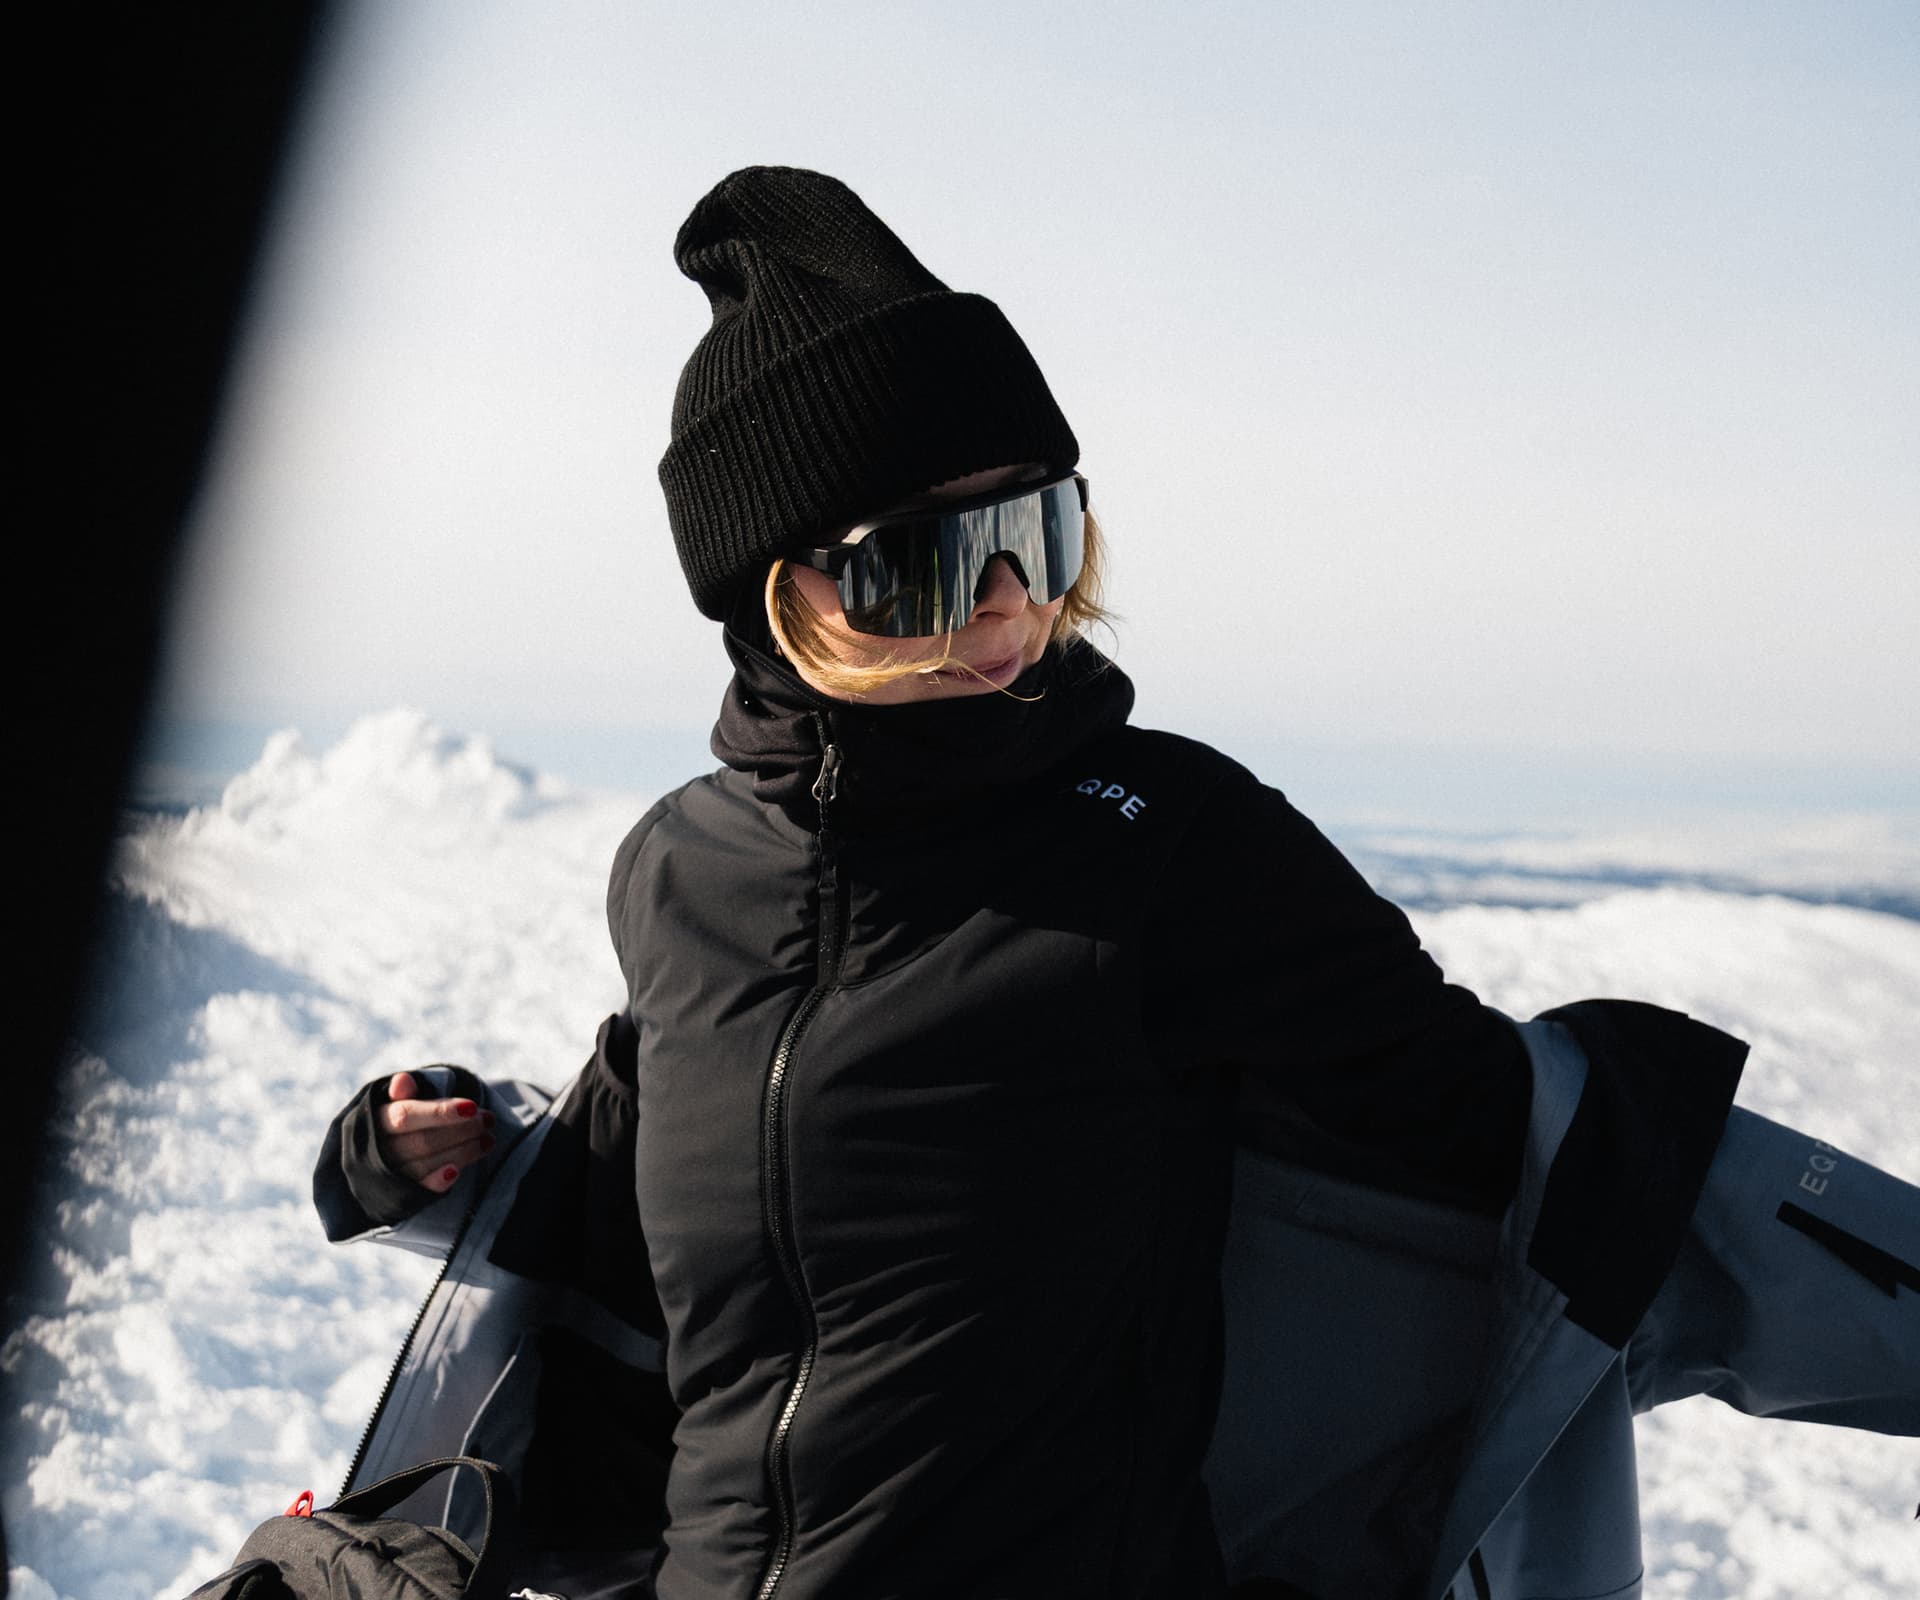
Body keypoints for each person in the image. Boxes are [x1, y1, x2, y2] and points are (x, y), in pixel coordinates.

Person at [315, 168, 1916, 1600]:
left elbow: (1536, 1159)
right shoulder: (680, 868)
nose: (1007, 612)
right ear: (768, 598)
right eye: (917, 564)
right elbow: (631, 1193)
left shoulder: (1171, 844)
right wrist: (403, 1149)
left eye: (1036, 531)